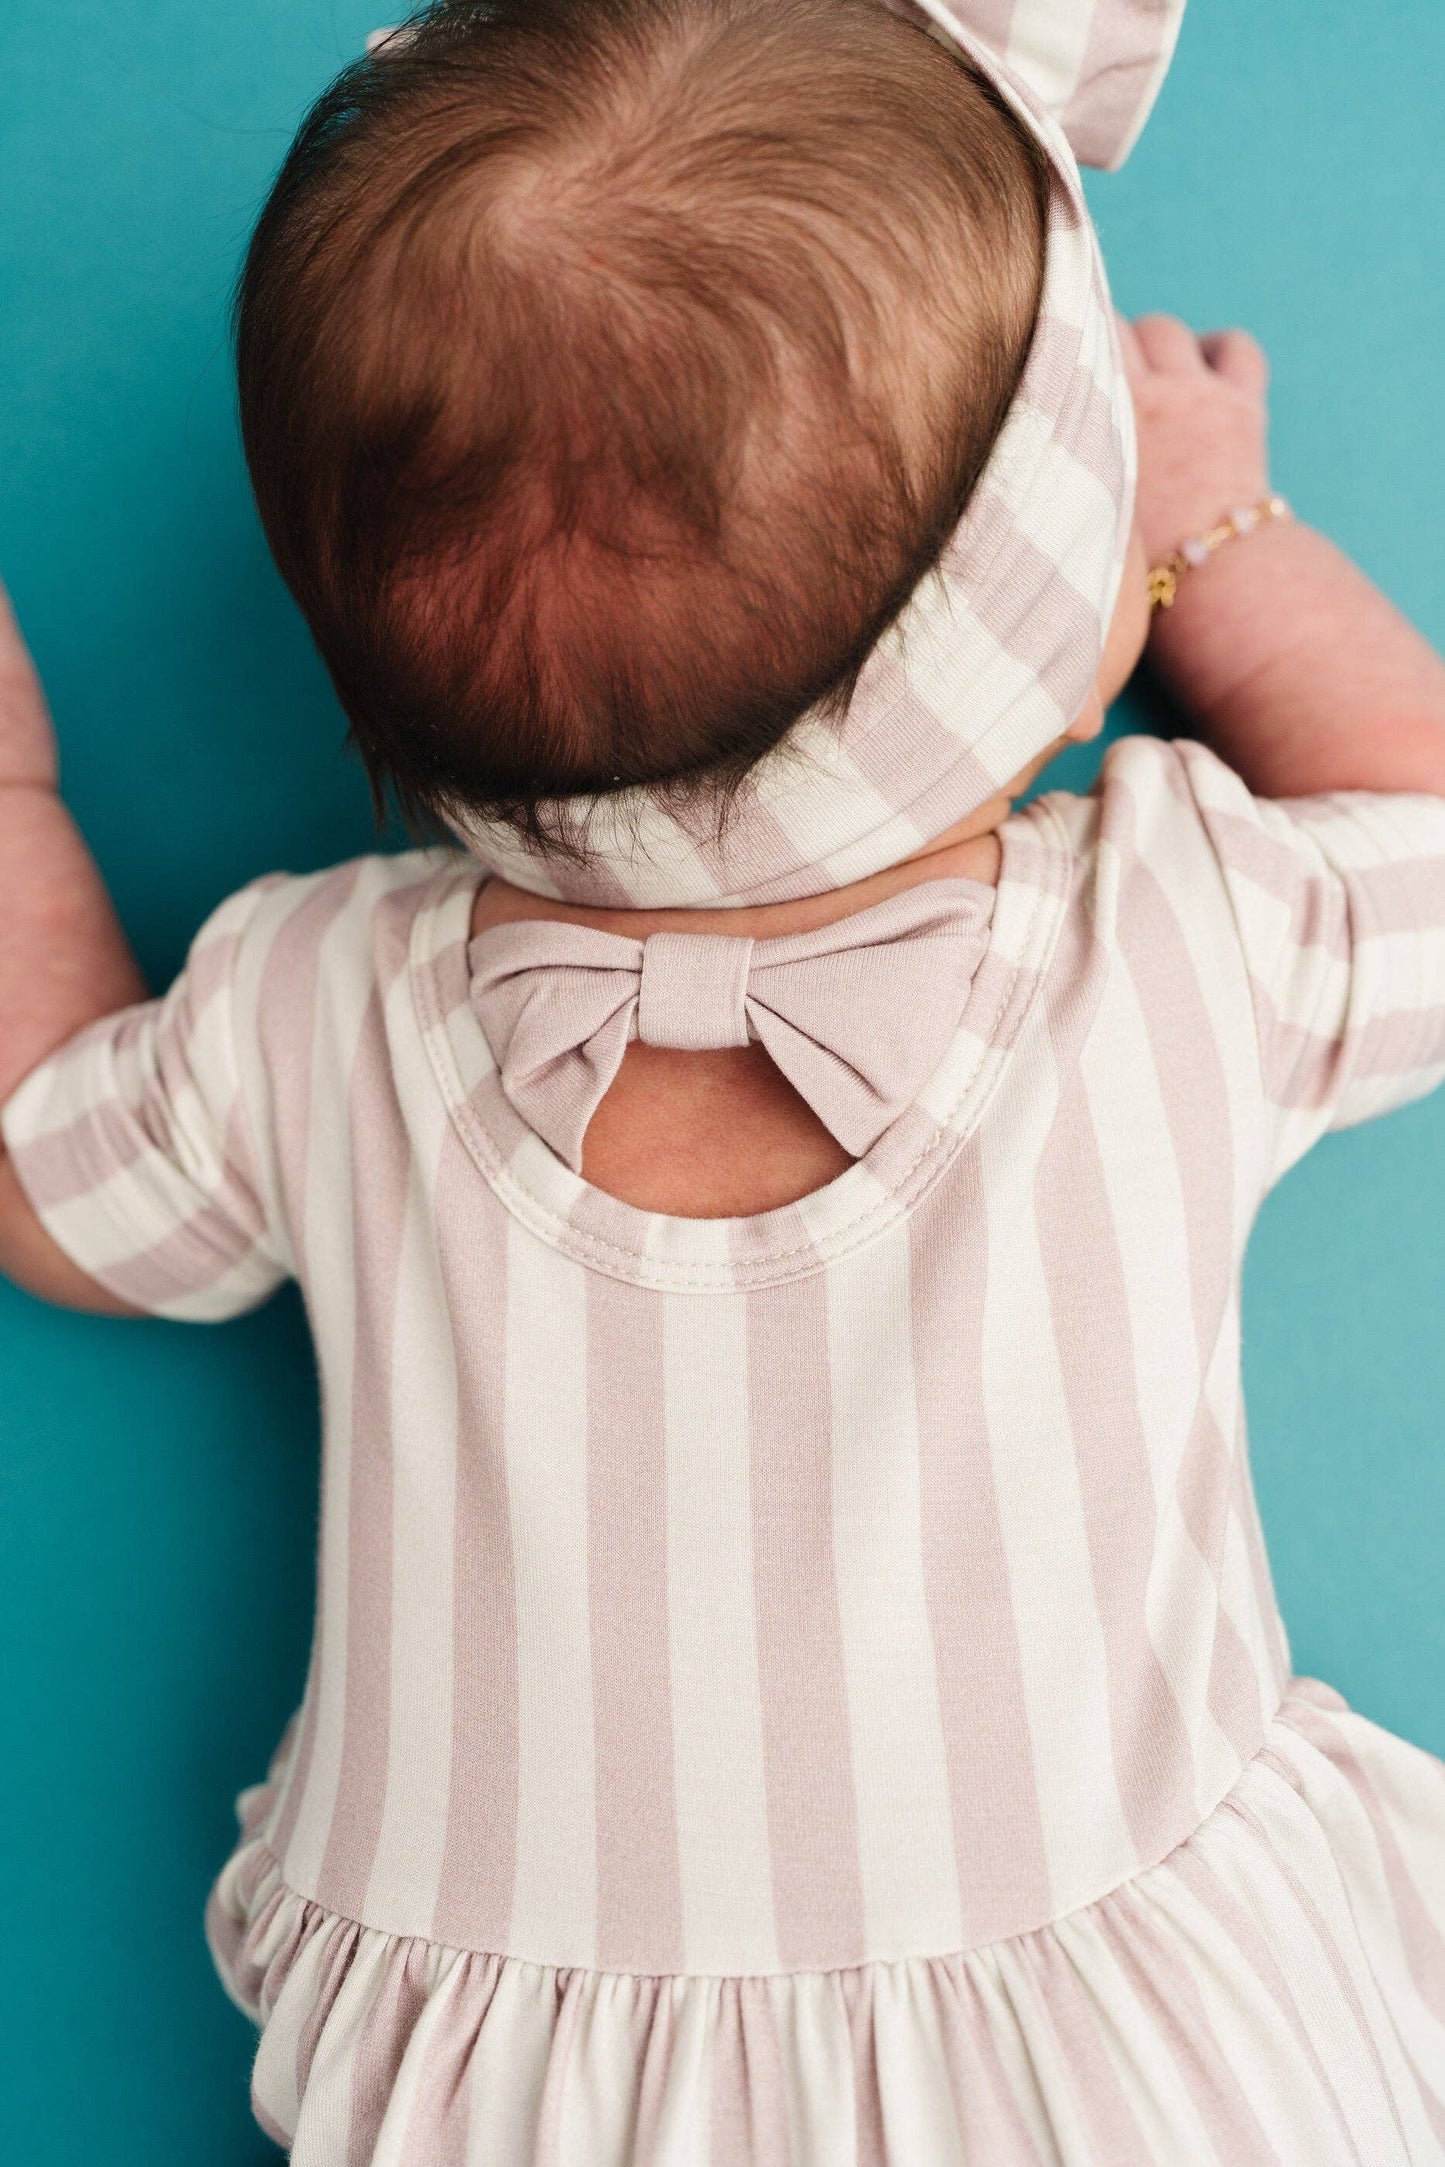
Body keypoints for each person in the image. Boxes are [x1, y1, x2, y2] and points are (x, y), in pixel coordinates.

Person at [3, 0, 1444, 2157]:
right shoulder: (1179, 940)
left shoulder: (325, 1003)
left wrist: (16, 783)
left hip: (533, 2107)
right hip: (1134, 2078)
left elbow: (51, 1185)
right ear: (1065, 602)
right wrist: (1223, 538)